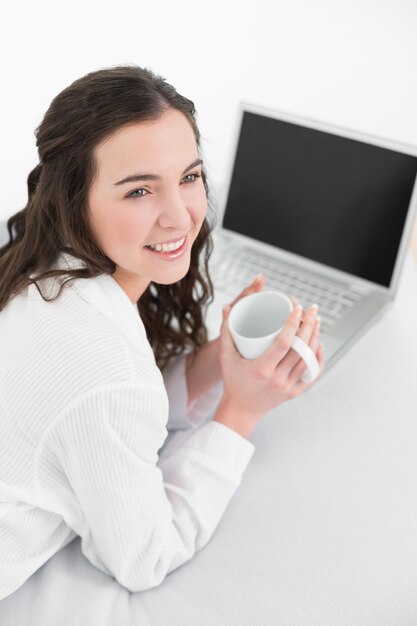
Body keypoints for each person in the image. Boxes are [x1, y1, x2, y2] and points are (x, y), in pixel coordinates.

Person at [0, 65, 324, 600]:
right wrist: (239, 412)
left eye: (189, 177)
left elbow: (106, 412)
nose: (180, 217)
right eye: (138, 192)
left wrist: (218, 363)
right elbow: (143, 558)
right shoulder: (105, 371)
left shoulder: (42, 263)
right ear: (73, 198)